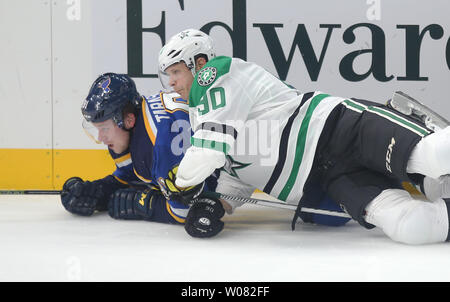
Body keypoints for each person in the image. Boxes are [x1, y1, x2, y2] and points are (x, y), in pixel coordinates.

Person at [157, 28, 450, 245]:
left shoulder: (218, 75)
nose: (171, 83)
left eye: (176, 71)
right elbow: (240, 172)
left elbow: (209, 153)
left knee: (434, 155)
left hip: (338, 129)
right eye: (167, 75)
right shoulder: (206, 116)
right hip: (329, 179)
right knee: (410, 225)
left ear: (198, 62)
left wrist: (180, 181)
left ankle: (426, 168)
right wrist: (215, 203)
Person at [60, 72, 224, 235]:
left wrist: (142, 204)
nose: (101, 138)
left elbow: (187, 210)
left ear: (128, 120)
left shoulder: (158, 145)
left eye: (104, 129)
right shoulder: (136, 122)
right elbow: (133, 173)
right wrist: (99, 191)